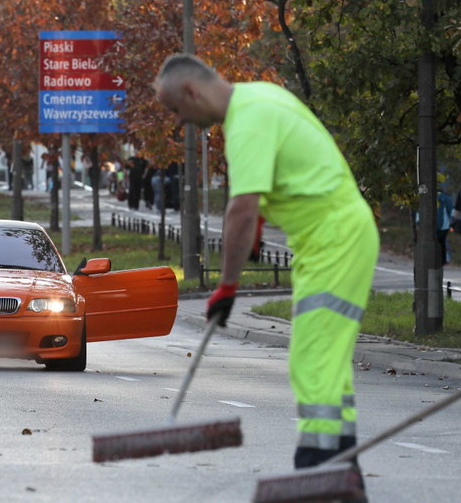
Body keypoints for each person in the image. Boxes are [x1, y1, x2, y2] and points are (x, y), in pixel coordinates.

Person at [154, 55, 379, 471]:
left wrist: (227, 286)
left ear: (191, 92)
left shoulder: (247, 122)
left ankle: (318, 468)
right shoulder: (260, 97)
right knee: (324, 364)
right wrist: (258, 220)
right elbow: (281, 177)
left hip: (336, 241)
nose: (179, 121)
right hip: (331, 240)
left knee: (313, 361)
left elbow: (240, 209)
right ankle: (340, 478)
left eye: (175, 109)